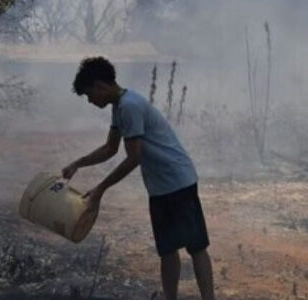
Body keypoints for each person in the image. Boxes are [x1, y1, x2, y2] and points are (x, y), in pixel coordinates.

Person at [62, 57, 216, 300]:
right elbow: (110, 149)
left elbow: (134, 158)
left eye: (90, 95)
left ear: (101, 85)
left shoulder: (129, 106)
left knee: (196, 246)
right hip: (160, 186)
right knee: (167, 249)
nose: (91, 101)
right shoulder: (119, 107)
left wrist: (101, 188)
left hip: (177, 180)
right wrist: (77, 164)